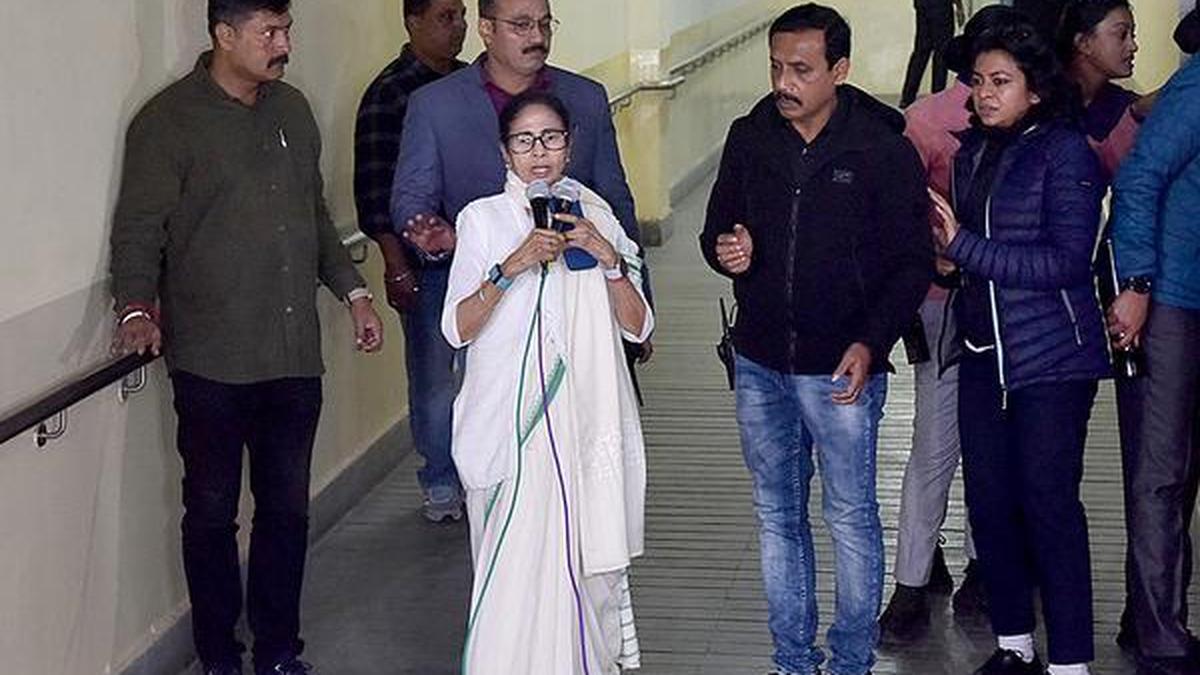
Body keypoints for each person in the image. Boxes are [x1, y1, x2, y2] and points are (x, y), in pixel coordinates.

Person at [108, 2, 384, 674]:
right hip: (212, 362)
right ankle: (218, 655)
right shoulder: (168, 122)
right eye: (269, 32)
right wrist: (135, 308)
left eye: (286, 30)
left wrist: (353, 292)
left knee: (286, 511)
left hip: (292, 357)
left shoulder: (292, 110)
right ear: (224, 36)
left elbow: (313, 216)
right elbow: (139, 228)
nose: (283, 43)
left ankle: (279, 650)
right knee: (210, 514)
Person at [700, 5, 933, 674]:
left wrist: (871, 341)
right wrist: (728, 251)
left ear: (840, 70)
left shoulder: (881, 149)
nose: (784, 82)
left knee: (851, 517)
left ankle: (852, 660)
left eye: (801, 69)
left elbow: (913, 262)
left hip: (842, 370)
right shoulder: (751, 138)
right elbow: (717, 230)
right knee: (777, 516)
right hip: (760, 361)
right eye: (776, 67)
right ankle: (793, 660)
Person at [390, 0, 647, 520]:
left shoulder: (585, 97)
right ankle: (458, 487)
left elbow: (615, 201)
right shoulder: (436, 104)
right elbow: (410, 199)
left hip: (573, 293)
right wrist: (436, 235)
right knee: (462, 405)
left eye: (545, 23)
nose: (537, 35)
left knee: (570, 438)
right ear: (486, 30)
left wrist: (638, 301)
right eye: (522, 25)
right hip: (477, 287)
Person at [444, 90, 651, 675]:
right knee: (514, 581)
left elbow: (638, 326)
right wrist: (510, 267)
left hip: (584, 428)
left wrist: (607, 258)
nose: (539, 153)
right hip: (510, 434)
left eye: (551, 138)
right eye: (524, 141)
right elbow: (456, 328)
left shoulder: (596, 215)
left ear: (570, 145)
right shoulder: (483, 220)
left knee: (585, 574)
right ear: (505, 152)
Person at [927, 21, 1108, 675]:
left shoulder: (1066, 153)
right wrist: (950, 262)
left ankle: (1070, 662)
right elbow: (973, 254)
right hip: (983, 351)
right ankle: (1015, 646)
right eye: (978, 81)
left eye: (1001, 81)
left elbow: (1067, 261)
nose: (984, 94)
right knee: (990, 505)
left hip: (1050, 359)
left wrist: (964, 247)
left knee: (1049, 506)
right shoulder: (972, 152)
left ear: (1036, 89)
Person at [879, 5, 1029, 644]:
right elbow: (900, 218)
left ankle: (942, 576)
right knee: (948, 443)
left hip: (995, 306)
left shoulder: (933, 119)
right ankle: (930, 577)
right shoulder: (929, 124)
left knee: (959, 446)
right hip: (949, 307)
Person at [353, 0, 468, 522]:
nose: (458, 26)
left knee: (485, 371)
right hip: (425, 264)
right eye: (445, 17)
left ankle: (480, 473)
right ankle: (440, 479)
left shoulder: (469, 84)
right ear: (413, 22)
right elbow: (375, 189)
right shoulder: (390, 94)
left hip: (480, 256)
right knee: (434, 377)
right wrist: (395, 264)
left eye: (461, 14)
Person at [1109, 44, 1200, 675]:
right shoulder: (1197, 89)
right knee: (1162, 468)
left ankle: (1147, 615)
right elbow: (1138, 178)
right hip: (1171, 296)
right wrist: (1137, 283)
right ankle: (1160, 637)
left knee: (1179, 470)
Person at [900, 0, 966, 108]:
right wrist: (959, 7)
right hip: (941, 5)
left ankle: (907, 97)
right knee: (941, 53)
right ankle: (937, 97)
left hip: (923, 4)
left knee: (921, 52)